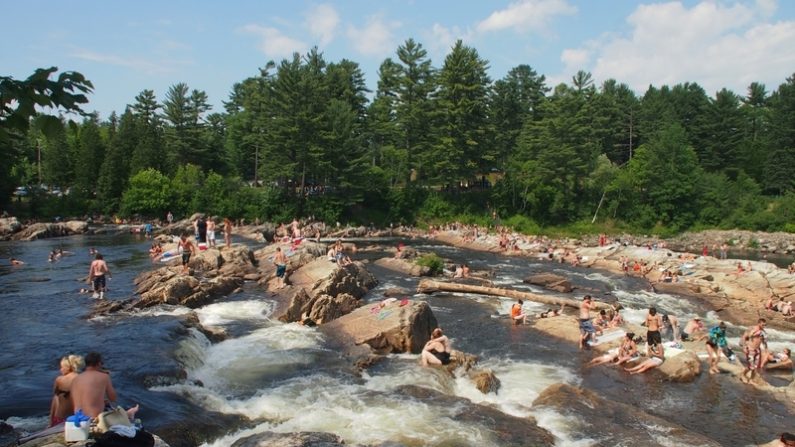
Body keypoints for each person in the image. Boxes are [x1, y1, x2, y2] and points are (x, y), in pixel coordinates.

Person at [71, 352, 139, 420]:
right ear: (99, 363)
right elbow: (113, 398)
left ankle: (127, 414)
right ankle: (128, 414)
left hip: (78, 419)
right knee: (111, 408)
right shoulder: (104, 376)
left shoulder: (75, 379)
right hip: (93, 419)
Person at [49, 354, 84, 426]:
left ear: (68, 368)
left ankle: (51, 422)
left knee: (56, 397)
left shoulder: (60, 379)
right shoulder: (82, 378)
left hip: (61, 418)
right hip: (77, 417)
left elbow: (55, 395)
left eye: (62, 367)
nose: (60, 369)